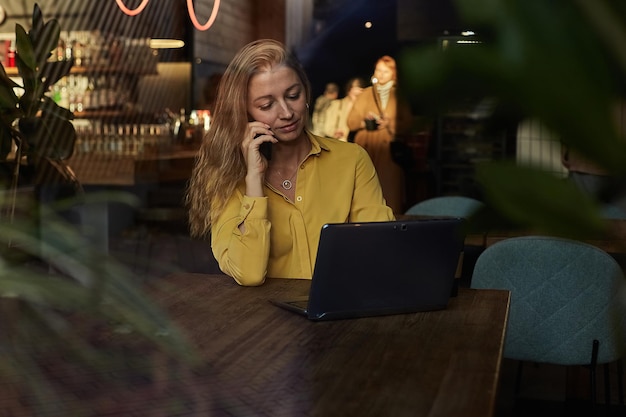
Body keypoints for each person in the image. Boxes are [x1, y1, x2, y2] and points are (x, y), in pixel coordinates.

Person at [186, 39, 394, 286]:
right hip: (264, 320)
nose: (286, 112)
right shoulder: (225, 176)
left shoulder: (352, 160)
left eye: (293, 95)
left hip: (339, 312)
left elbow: (382, 251)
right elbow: (248, 273)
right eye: (266, 105)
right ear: (246, 112)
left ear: (305, 91)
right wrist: (253, 181)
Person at [347, 55, 413, 214]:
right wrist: (365, 122)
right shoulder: (366, 94)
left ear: (393, 73)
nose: (381, 74)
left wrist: (390, 123)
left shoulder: (399, 96)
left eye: (385, 71)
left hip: (389, 151)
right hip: (366, 148)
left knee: (389, 192)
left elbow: (409, 123)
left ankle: (390, 228)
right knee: (364, 190)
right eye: (378, 70)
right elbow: (351, 121)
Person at [321, 77, 365, 141]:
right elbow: (327, 127)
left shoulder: (364, 107)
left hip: (358, 144)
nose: (356, 98)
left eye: (359, 95)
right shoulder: (337, 105)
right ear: (349, 91)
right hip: (341, 144)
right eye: (355, 95)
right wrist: (334, 132)